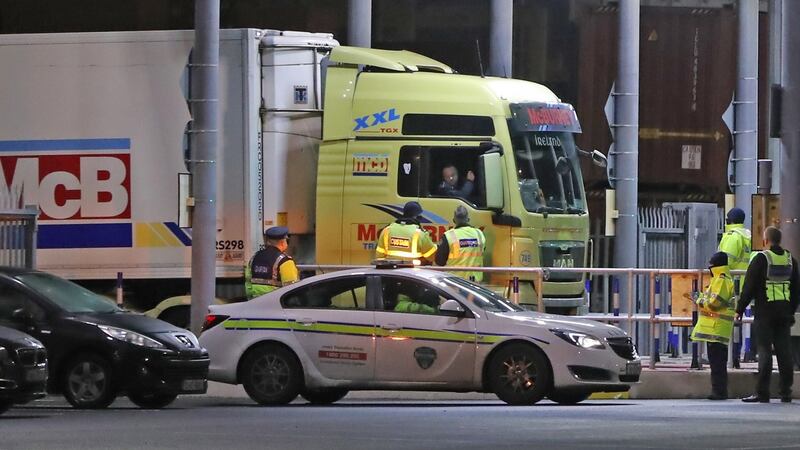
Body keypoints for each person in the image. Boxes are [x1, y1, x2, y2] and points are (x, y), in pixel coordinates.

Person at [736, 226, 800, 403]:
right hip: (784, 313)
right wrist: (791, 310)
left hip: (765, 313)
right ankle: (785, 392)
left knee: (764, 351)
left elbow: (748, 287)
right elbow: (796, 290)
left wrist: (740, 309)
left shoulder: (761, 259)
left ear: (765, 241)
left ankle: (762, 393)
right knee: (784, 352)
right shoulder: (790, 260)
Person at [690, 252, 736, 400]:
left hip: (718, 328)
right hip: (716, 328)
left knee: (717, 363)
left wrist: (698, 301)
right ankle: (718, 390)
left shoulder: (721, 280)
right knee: (716, 362)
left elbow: (714, 304)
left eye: (710, 265)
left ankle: (720, 392)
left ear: (715, 266)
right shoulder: (718, 279)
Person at [245, 226, 299, 299]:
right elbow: (291, 289)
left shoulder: (254, 258)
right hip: (275, 305)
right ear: (283, 242)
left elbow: (248, 285)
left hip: (255, 304)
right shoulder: (285, 261)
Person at [435, 205, 486, 282]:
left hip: (455, 282)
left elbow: (440, 261)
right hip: (475, 282)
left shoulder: (448, 236)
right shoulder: (479, 234)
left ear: (454, 220)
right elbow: (482, 251)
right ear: (468, 219)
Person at [719, 207, 752, 275]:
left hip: (733, 281)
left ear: (730, 220)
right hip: (746, 279)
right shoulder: (748, 236)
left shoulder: (732, 236)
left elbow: (724, 262)